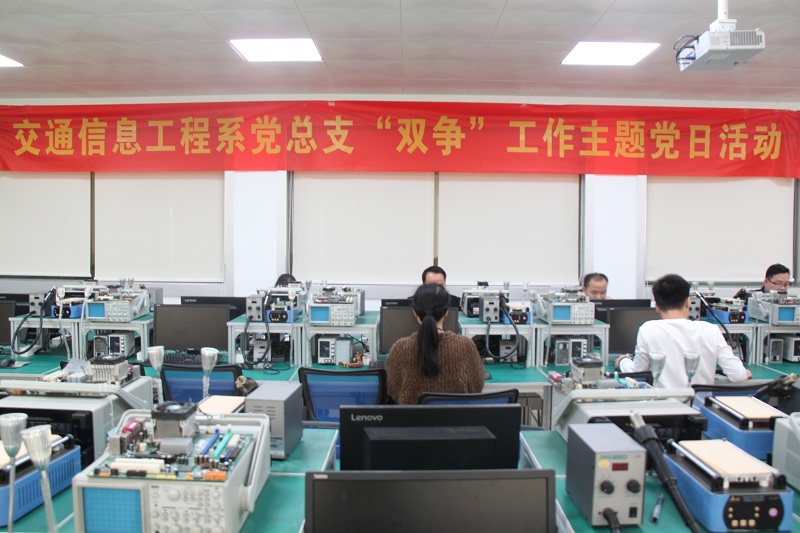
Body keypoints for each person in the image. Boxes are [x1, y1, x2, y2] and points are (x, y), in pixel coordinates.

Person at [615, 273, 751, 388]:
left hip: (663, 407)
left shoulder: (648, 329)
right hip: (699, 407)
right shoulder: (711, 330)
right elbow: (738, 375)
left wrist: (623, 361)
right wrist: (743, 373)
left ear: (657, 306)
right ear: (688, 303)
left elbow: (637, 374)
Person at [386, 283, 485, 404]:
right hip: (457, 416)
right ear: (446, 312)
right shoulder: (465, 345)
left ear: (414, 312)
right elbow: (476, 388)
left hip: (412, 416)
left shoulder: (400, 348)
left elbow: (393, 390)